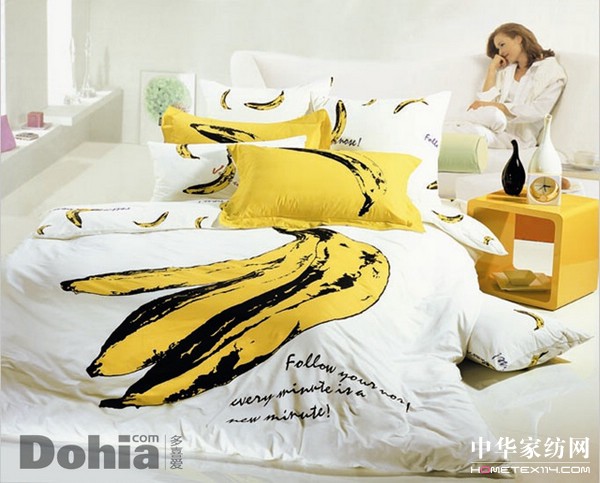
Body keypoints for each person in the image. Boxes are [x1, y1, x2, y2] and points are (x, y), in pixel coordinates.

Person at [451, 23, 567, 149]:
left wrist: (498, 107)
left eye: (502, 45)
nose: (500, 52)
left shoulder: (552, 71)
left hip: (518, 137)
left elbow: (538, 111)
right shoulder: (506, 71)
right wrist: (492, 69)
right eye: (498, 49)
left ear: (518, 39)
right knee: (455, 127)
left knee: (473, 130)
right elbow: (485, 102)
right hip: (492, 126)